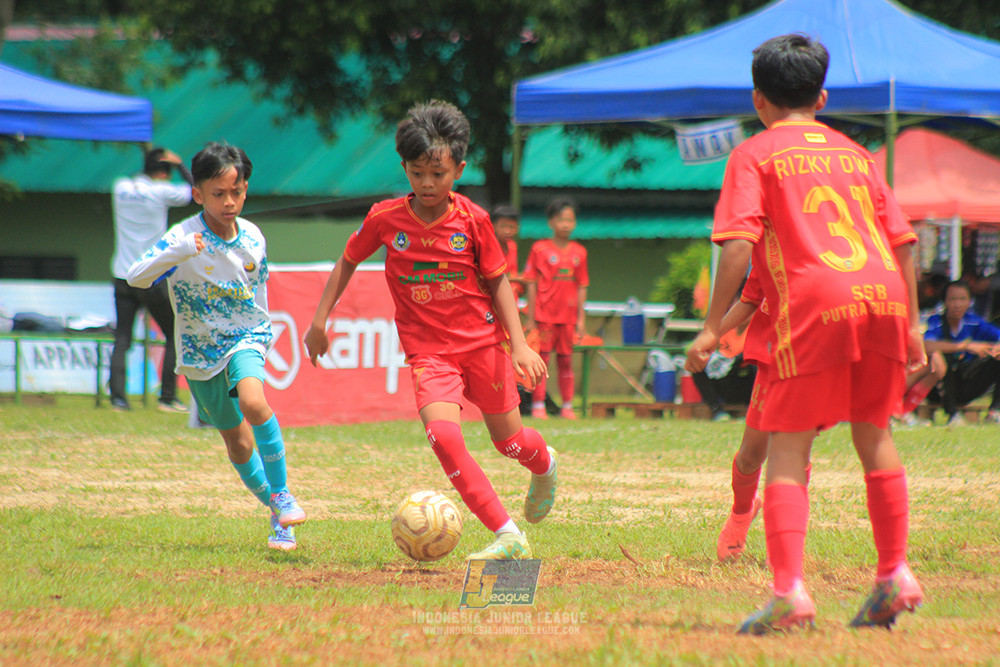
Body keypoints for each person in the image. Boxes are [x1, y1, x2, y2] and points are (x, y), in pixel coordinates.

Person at [687, 33, 924, 634]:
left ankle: (790, 592)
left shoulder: (756, 153)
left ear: (757, 99)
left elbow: (739, 245)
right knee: (875, 436)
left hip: (815, 302)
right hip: (884, 296)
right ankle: (895, 572)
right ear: (821, 96)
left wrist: (712, 326)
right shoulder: (854, 152)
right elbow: (902, 241)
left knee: (788, 451)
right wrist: (915, 326)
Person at [303, 100, 558, 561]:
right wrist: (320, 321)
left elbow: (499, 280)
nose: (427, 183)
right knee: (444, 436)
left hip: (483, 345)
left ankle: (545, 466)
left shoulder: (473, 221)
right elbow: (348, 261)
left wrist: (518, 344)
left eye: (437, 174)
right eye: (417, 172)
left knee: (511, 443)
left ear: (458, 169)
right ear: (404, 167)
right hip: (429, 354)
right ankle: (507, 534)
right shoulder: (385, 219)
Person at [126, 142, 306, 551]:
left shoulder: (254, 237)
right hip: (200, 352)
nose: (229, 202)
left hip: (246, 337)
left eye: (237, 191)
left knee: (254, 403)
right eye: (218, 193)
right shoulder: (182, 236)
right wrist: (180, 251)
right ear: (198, 194)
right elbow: (136, 276)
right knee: (238, 443)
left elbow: (257, 293)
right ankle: (279, 517)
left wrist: (262, 334)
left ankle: (282, 494)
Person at [109, 147, 193, 413]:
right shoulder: (162, 191)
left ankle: (118, 399)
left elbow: (138, 180)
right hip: (150, 275)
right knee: (173, 333)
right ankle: (167, 396)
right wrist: (181, 165)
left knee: (122, 337)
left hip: (121, 274)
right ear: (164, 172)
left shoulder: (120, 186)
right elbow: (196, 193)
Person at [522, 196, 589, 420]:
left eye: (570, 220)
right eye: (561, 219)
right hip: (544, 315)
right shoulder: (539, 249)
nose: (565, 224)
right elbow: (531, 282)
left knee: (566, 360)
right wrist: (531, 317)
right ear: (551, 222)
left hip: (568, 318)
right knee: (543, 360)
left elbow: (582, 286)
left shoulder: (580, 253)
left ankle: (568, 406)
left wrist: (581, 319)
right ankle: (539, 405)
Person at [923, 280, 1000, 427]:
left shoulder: (974, 322)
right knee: (941, 357)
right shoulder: (936, 321)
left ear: (970, 301)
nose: (957, 304)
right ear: (945, 302)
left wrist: (995, 349)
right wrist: (965, 346)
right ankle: (952, 415)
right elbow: (927, 345)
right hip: (939, 388)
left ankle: (994, 412)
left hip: (968, 383)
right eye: (953, 299)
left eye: (962, 299)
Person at [492, 204, 526, 300]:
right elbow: (491, 277)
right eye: (503, 226)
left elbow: (512, 273)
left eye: (511, 227)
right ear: (494, 226)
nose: (507, 231)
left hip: (510, 294)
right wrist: (518, 279)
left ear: (517, 228)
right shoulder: (490, 246)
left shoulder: (512, 246)